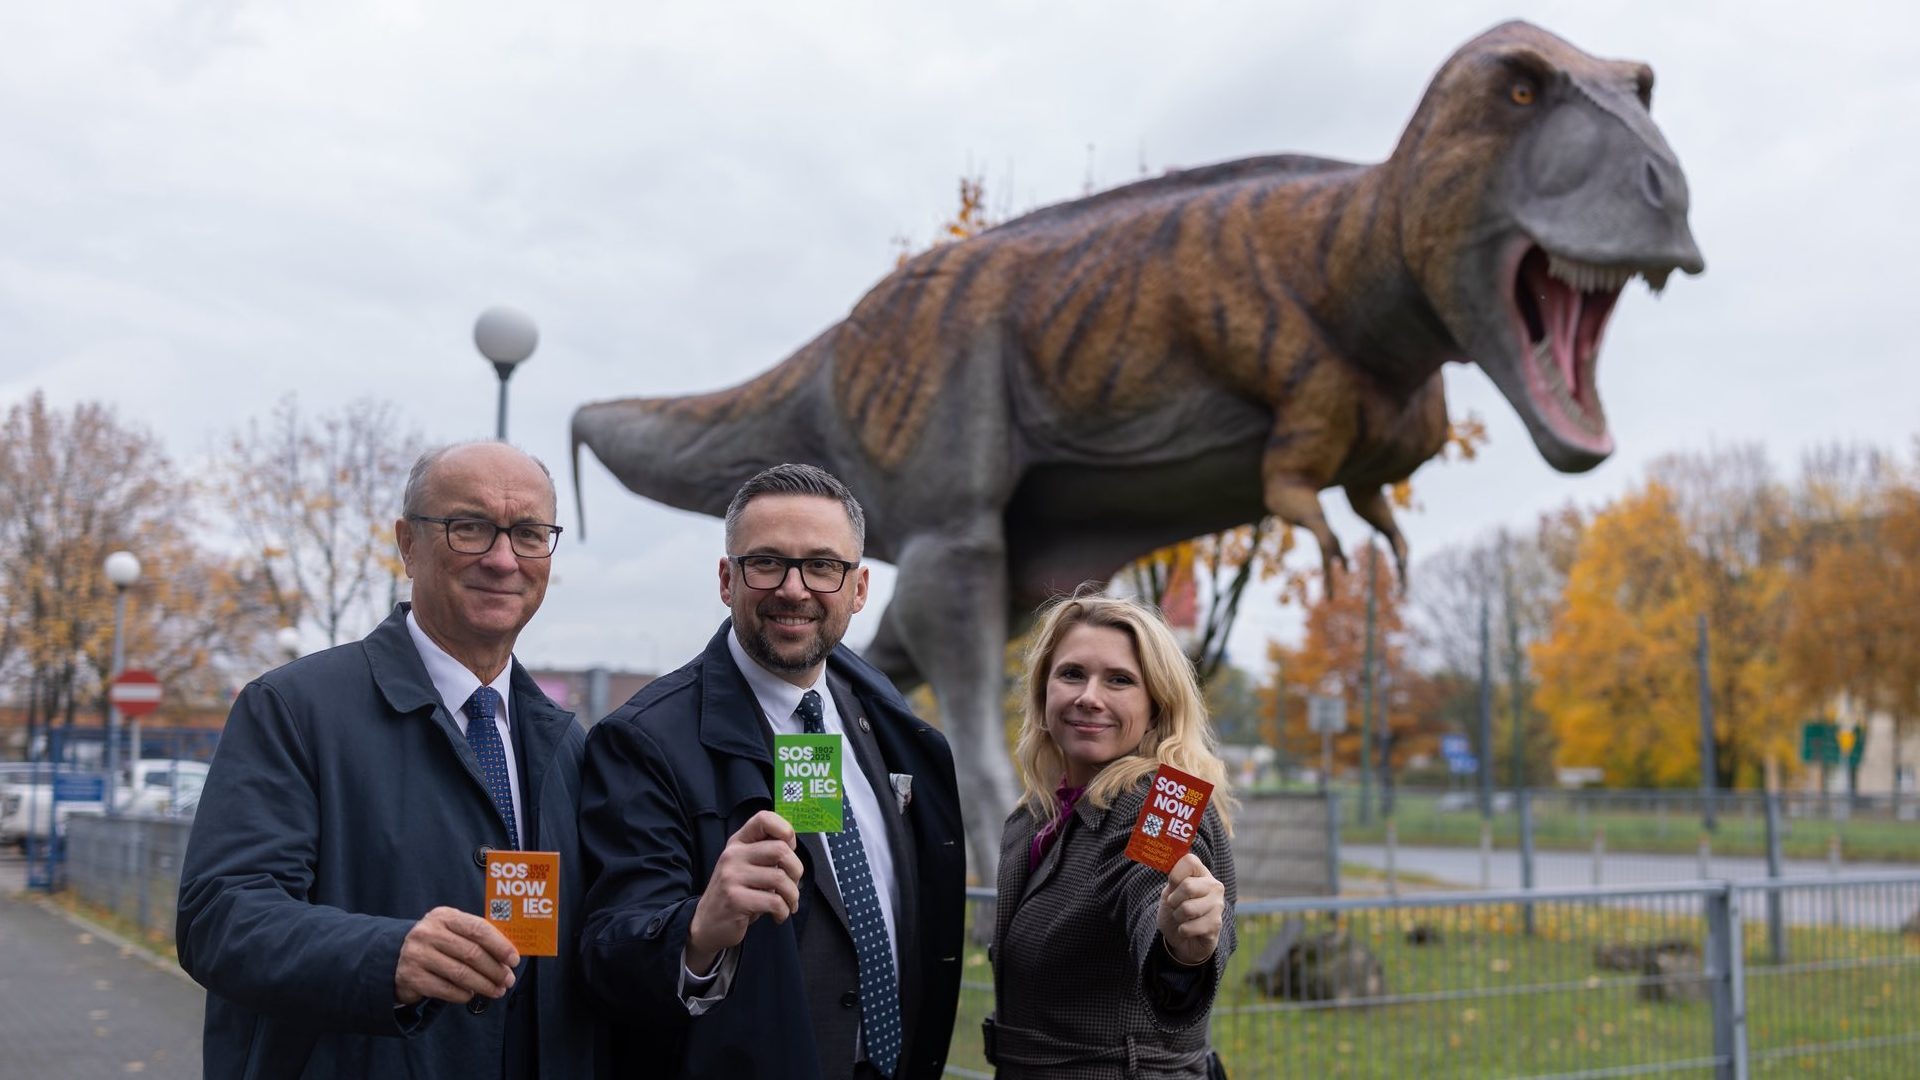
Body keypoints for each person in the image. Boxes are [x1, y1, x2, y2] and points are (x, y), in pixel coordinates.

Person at [176, 441, 597, 1080]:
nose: (503, 558)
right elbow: (221, 916)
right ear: (407, 544)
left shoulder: (565, 744)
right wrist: (387, 957)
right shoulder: (292, 709)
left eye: (529, 534)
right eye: (471, 528)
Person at [578, 462, 965, 1079]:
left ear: (859, 589)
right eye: (767, 563)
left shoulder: (887, 719)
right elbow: (608, 954)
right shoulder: (643, 741)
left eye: (822, 566)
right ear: (727, 579)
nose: (793, 588)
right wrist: (699, 929)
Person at [985, 592, 1237, 1079]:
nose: (1089, 696)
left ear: (1157, 704)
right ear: (1043, 690)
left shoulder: (1166, 801)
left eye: (1119, 680)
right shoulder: (1037, 814)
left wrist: (1183, 946)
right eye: (1072, 673)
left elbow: (1156, 909)